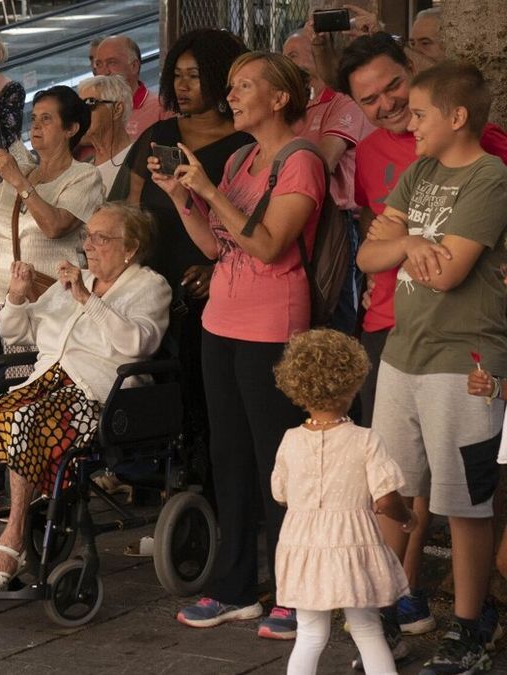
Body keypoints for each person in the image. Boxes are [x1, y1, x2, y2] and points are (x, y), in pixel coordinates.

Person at [337, 33, 507, 650]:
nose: (407, 123)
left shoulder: (490, 176)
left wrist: (404, 246)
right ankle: (383, 613)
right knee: (392, 490)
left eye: (418, 113)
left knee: (463, 501)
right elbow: (369, 257)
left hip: (464, 358)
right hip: (403, 353)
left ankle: (469, 624)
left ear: (456, 117)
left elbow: (450, 272)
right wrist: (409, 243)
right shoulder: (418, 172)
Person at [152, 52, 325, 639]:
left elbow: (271, 245)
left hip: (272, 325)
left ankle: (293, 592)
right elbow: (213, 246)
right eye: (231, 86)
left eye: (244, 85)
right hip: (221, 319)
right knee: (229, 457)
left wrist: (208, 188)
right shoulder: (241, 159)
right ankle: (235, 587)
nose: (231, 95)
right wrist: (183, 196)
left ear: (280, 98)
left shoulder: (301, 161)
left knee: (276, 462)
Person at [0, 203, 170, 590]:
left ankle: (13, 541)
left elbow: (137, 344)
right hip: (43, 384)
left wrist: (87, 299)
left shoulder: (150, 286)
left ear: (131, 247)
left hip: (95, 395)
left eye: (100, 238)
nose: (88, 245)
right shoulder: (77, 279)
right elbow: (16, 334)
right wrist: (17, 297)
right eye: (88, 236)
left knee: (23, 423)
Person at [117, 28, 251, 492]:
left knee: (204, 397)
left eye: (195, 75)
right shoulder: (160, 135)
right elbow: (131, 210)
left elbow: (249, 224)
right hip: (152, 284)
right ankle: (154, 481)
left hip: (210, 288)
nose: (183, 85)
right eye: (177, 75)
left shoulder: (245, 143)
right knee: (151, 390)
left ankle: (205, 488)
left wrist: (218, 270)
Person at [270, 328, 413, 675]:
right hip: (353, 548)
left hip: (303, 548)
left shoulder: (290, 440)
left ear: (298, 389)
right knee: (368, 630)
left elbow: (280, 494)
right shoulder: (365, 440)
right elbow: (386, 498)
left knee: (309, 635)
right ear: (353, 385)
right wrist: (408, 517)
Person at [0, 85, 102, 303]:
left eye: (46, 119)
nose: (35, 126)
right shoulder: (23, 171)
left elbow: (54, 227)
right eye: (33, 118)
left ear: (71, 129)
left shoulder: (84, 176)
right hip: (7, 300)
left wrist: (17, 180)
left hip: (57, 300)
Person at [283, 29, 372, 335]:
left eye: (293, 55)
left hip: (337, 221)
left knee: (337, 308)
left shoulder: (342, 101)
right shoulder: (295, 108)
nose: (287, 63)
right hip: (301, 217)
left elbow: (322, 163)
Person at [94, 35, 169, 140]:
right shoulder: (92, 109)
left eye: (112, 62)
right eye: (99, 64)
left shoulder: (161, 108)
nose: (104, 72)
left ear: (134, 66)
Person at [76, 74, 133, 192]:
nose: (79, 115)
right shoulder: (82, 170)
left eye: (88, 104)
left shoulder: (141, 159)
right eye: (77, 108)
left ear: (117, 109)